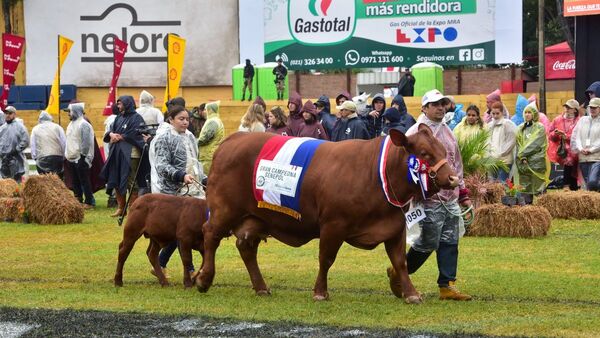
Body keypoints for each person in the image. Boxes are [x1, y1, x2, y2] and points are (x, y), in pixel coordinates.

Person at [404, 89, 472, 301]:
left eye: (443, 104)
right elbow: (405, 166)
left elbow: (456, 164)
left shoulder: (448, 132)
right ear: (424, 108)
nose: (441, 108)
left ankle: (447, 286)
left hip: (449, 197)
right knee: (428, 241)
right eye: (435, 104)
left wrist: (462, 193)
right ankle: (401, 272)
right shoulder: (414, 133)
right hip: (428, 198)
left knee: (451, 240)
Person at [150, 105, 206, 278]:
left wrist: (203, 179)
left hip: (193, 189)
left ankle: (163, 263)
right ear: (171, 120)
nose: (185, 122)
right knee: (183, 231)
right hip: (173, 191)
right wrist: (180, 175)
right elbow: (161, 165)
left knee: (192, 229)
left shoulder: (190, 137)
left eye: (187, 119)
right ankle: (188, 269)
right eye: (181, 119)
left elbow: (194, 161)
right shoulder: (163, 138)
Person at [100, 95, 149, 217]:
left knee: (131, 182)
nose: (118, 106)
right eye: (118, 103)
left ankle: (133, 209)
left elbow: (140, 133)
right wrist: (111, 134)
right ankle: (121, 208)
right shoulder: (118, 117)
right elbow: (110, 130)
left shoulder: (137, 118)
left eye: (120, 103)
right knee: (116, 179)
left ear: (127, 104)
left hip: (131, 155)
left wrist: (122, 136)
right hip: (117, 153)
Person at [64, 104, 96, 209]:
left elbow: (85, 142)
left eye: (70, 111)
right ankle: (78, 200)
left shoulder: (83, 124)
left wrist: (83, 157)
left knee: (84, 181)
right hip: (72, 158)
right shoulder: (71, 124)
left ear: (75, 111)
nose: (68, 114)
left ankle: (89, 202)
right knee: (75, 181)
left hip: (81, 158)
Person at [515, 102, 549, 194]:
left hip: (536, 161)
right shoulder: (520, 128)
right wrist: (522, 157)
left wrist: (522, 154)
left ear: (534, 113)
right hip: (523, 162)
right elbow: (519, 143)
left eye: (529, 112)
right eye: (525, 112)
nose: (527, 114)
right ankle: (527, 206)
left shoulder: (540, 127)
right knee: (525, 187)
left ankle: (541, 206)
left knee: (539, 187)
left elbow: (536, 144)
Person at [547, 99, 580, 191]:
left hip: (576, 151)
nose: (567, 109)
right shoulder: (557, 120)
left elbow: (580, 136)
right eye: (566, 107)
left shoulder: (580, 121)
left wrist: (567, 137)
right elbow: (550, 134)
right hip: (563, 151)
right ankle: (567, 188)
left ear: (575, 110)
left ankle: (571, 189)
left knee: (573, 172)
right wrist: (556, 134)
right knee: (568, 164)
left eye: (569, 107)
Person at [571, 97, 600, 191]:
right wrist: (580, 148)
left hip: (597, 158)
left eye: (595, 107)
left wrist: (591, 150)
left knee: (592, 182)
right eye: (591, 107)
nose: (592, 109)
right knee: (588, 184)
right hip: (583, 158)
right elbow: (576, 136)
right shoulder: (583, 120)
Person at [487, 102, 517, 182]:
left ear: (502, 112)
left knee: (502, 184)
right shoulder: (489, 125)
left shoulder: (508, 124)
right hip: (493, 160)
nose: (495, 116)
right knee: (493, 184)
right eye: (493, 113)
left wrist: (500, 154)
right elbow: (487, 141)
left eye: (497, 113)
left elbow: (511, 141)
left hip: (505, 160)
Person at [30, 111, 66, 177]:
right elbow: (63, 143)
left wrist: (35, 157)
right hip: (57, 157)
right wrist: (64, 156)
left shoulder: (35, 129)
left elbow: (33, 145)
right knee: (58, 180)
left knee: (45, 182)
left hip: (42, 158)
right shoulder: (58, 127)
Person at [0, 106, 29, 182]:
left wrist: (17, 149)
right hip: (4, 160)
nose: (7, 115)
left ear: (14, 114)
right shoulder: (2, 128)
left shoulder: (20, 127)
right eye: (6, 113)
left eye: (10, 113)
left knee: (16, 182)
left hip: (16, 159)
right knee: (6, 183)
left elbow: (26, 140)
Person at [197, 101, 225, 174]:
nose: (204, 112)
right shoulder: (216, 120)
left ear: (210, 110)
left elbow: (205, 138)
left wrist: (194, 143)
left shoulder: (212, 122)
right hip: (211, 155)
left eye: (206, 110)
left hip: (208, 156)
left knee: (206, 179)